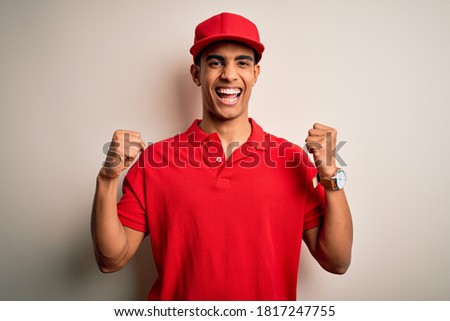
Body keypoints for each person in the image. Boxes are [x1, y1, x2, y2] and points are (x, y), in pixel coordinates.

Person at [91, 12, 353, 301]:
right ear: (196, 73)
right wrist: (107, 179)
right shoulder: (155, 160)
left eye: (242, 62)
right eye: (216, 62)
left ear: (255, 74)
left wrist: (331, 177)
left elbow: (337, 262)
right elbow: (110, 260)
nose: (229, 74)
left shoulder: (292, 160)